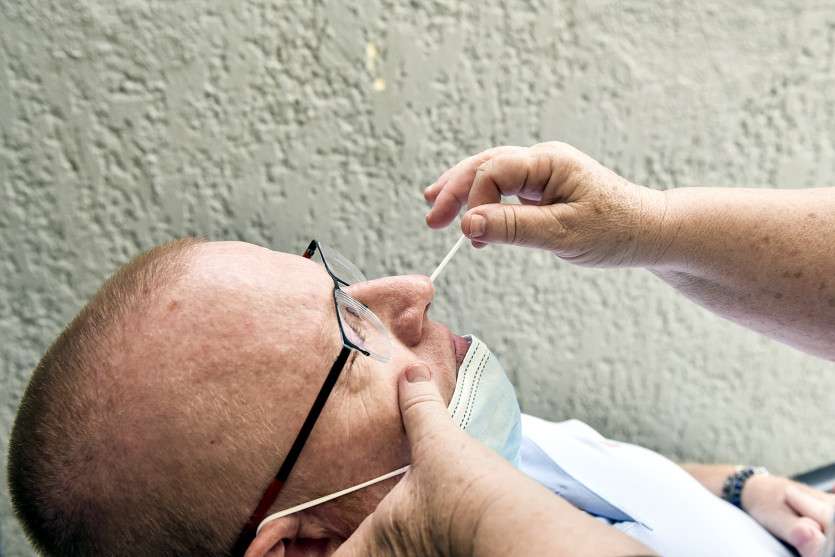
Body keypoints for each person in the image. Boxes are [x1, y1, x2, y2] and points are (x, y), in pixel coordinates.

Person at [6, 236, 832, 556]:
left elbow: (586, 467)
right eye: (352, 342)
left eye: (341, 290)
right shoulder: (449, 486)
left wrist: (737, 486)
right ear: (303, 547)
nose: (411, 293)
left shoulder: (449, 444)